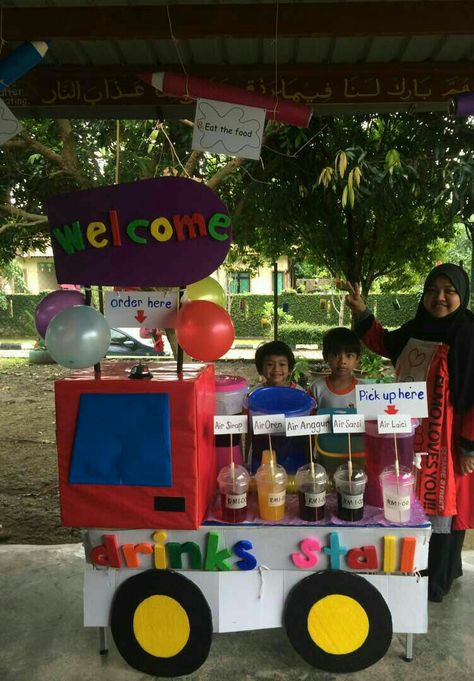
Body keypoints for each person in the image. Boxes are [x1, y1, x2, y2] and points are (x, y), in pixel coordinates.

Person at [345, 263, 474, 602]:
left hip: (450, 439)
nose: (440, 298)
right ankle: (412, 568)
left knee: (444, 505)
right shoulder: (417, 327)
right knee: (409, 498)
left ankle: (437, 580)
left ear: (462, 294)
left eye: (449, 291)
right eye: (432, 290)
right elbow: (385, 342)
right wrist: (362, 313)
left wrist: (469, 446)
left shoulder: (469, 333)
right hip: (408, 432)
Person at [311, 327, 362, 409]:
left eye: (349, 355)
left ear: (357, 359)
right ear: (325, 356)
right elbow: (309, 418)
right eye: (336, 355)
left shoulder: (365, 391)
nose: (342, 361)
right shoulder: (317, 388)